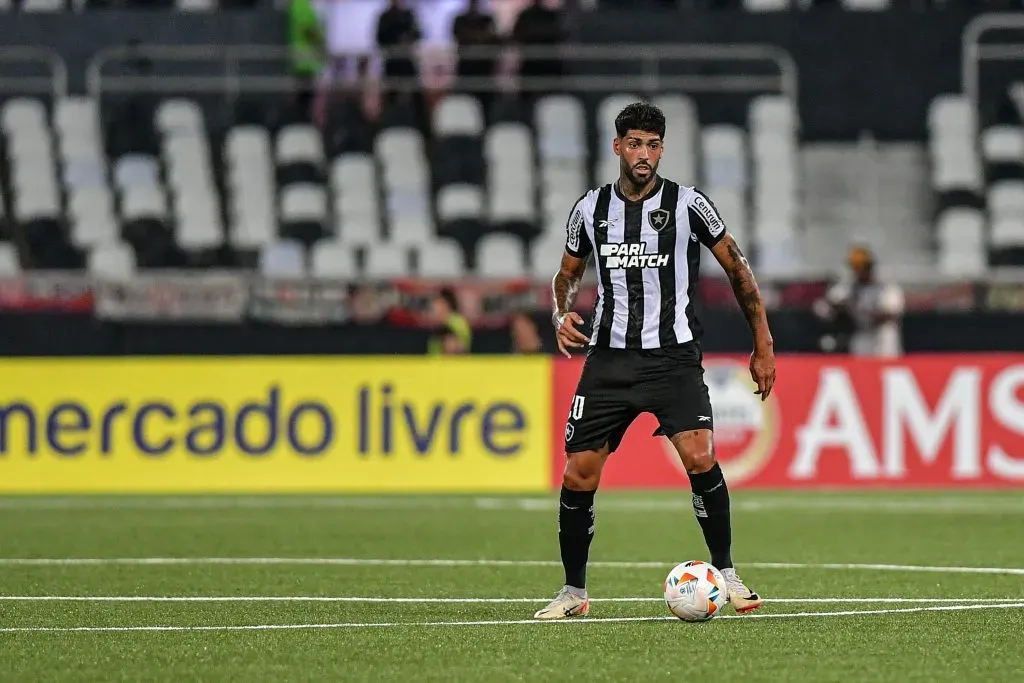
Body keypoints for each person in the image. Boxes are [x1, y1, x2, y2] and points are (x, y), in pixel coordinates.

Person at [534, 102, 776, 620]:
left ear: (662, 149)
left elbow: (738, 270)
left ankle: (727, 573)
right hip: (610, 361)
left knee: (701, 458)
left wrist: (763, 344)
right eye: (634, 143)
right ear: (617, 146)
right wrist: (560, 312)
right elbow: (566, 272)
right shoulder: (590, 209)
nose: (644, 154)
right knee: (579, 474)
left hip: (673, 359)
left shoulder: (690, 205)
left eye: (653, 144)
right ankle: (573, 593)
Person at [814, 245, 904, 358]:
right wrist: (840, 310)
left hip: (883, 340)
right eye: (855, 267)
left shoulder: (887, 289)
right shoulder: (847, 289)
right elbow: (822, 308)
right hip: (860, 337)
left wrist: (862, 310)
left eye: (863, 267)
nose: (859, 272)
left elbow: (891, 314)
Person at [427, 288, 472, 355]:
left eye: (436, 303)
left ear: (445, 304)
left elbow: (456, 349)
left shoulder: (457, 322)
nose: (433, 307)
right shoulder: (442, 323)